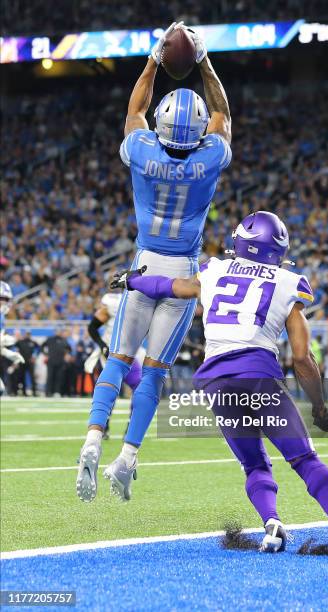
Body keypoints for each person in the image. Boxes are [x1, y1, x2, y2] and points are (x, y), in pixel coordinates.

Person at [111, 211, 328, 556]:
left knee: (254, 464)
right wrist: (320, 406)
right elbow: (301, 357)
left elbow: (171, 286)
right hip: (257, 378)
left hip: (215, 383)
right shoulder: (288, 281)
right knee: (304, 459)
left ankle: (272, 525)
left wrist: (132, 280)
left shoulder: (215, 269)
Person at [76, 23, 232, 502]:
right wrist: (201, 60)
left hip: (143, 267)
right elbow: (223, 112)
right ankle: (127, 459)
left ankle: (91, 442)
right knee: (157, 370)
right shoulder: (210, 156)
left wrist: (151, 59)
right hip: (182, 272)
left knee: (119, 361)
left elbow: (135, 109)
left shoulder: (142, 149)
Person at [84, 292, 142, 439]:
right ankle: (102, 427)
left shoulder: (143, 300)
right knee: (109, 388)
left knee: (139, 387)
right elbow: (92, 327)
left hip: (130, 351)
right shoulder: (112, 301)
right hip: (113, 352)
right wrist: (102, 345)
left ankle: (131, 428)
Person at [0, 281, 25, 394]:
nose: (3, 302)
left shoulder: (1, 317)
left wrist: (8, 353)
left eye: (6, 299)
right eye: (1, 298)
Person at [41, 329, 71, 397]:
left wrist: (67, 354)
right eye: (57, 331)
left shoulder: (63, 340)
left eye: (59, 331)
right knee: (50, 377)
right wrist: (45, 354)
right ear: (55, 332)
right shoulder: (50, 339)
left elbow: (69, 349)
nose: (58, 333)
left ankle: (57, 392)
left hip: (60, 362)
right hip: (51, 361)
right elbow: (42, 346)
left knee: (59, 377)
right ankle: (48, 392)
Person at [14, 331, 38, 396]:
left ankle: (34, 392)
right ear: (24, 335)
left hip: (30, 362)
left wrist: (34, 356)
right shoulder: (20, 342)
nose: (27, 336)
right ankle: (23, 392)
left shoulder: (33, 342)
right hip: (22, 362)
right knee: (21, 377)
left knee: (32, 377)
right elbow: (14, 348)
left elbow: (38, 349)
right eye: (26, 334)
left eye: (28, 334)